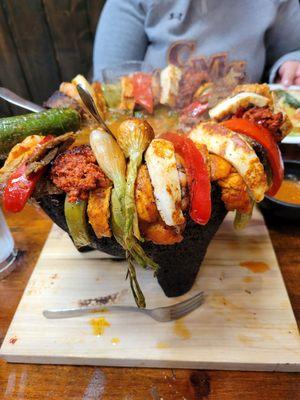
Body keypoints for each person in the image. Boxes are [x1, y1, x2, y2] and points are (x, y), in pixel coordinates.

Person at [93, 0, 300, 86]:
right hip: (154, 136)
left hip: (245, 133)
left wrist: (290, 63)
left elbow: (292, 51)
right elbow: (108, 84)